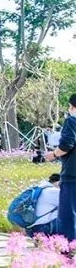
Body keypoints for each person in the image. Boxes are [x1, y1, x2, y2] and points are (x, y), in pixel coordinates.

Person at [45, 93, 76, 247]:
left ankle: (67, 249)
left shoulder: (72, 121)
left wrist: (53, 154)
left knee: (68, 215)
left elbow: (66, 144)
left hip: (72, 175)